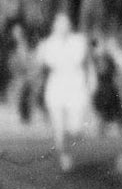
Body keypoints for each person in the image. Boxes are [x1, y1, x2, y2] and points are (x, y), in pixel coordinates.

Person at [33, 11, 93, 170]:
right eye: (59, 24)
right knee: (59, 126)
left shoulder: (79, 42)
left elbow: (88, 63)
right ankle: (64, 155)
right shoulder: (47, 45)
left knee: (76, 128)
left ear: (69, 25)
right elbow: (38, 66)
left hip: (76, 86)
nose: (63, 27)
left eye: (65, 23)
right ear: (54, 26)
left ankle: (68, 142)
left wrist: (92, 82)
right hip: (56, 87)